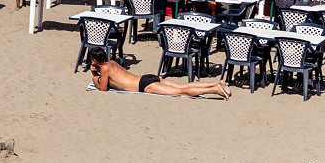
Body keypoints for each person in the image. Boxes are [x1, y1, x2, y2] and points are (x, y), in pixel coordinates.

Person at [88, 49, 230, 98]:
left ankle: (214, 89)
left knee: (181, 92)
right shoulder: (112, 62)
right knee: (182, 86)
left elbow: (103, 89)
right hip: (146, 77)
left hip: (144, 85)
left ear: (94, 59)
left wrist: (94, 75)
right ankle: (217, 83)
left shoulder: (105, 68)